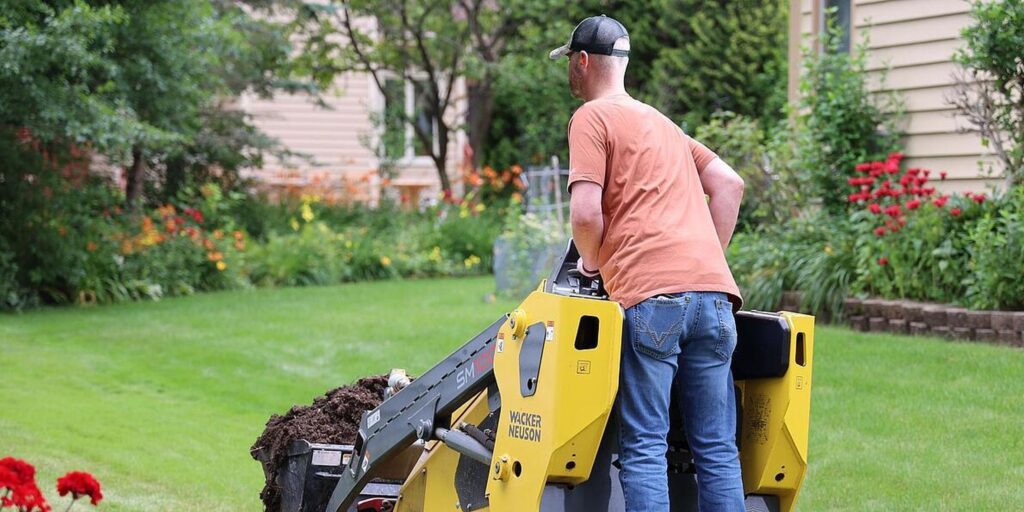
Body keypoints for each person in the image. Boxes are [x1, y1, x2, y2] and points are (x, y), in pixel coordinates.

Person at [550, 15, 747, 512]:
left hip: (653, 302)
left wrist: (591, 265)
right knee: (718, 450)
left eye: (569, 64)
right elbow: (729, 183)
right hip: (716, 301)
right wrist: (703, 260)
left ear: (582, 61)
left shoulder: (592, 118)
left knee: (644, 448)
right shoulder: (663, 123)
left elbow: (585, 211)